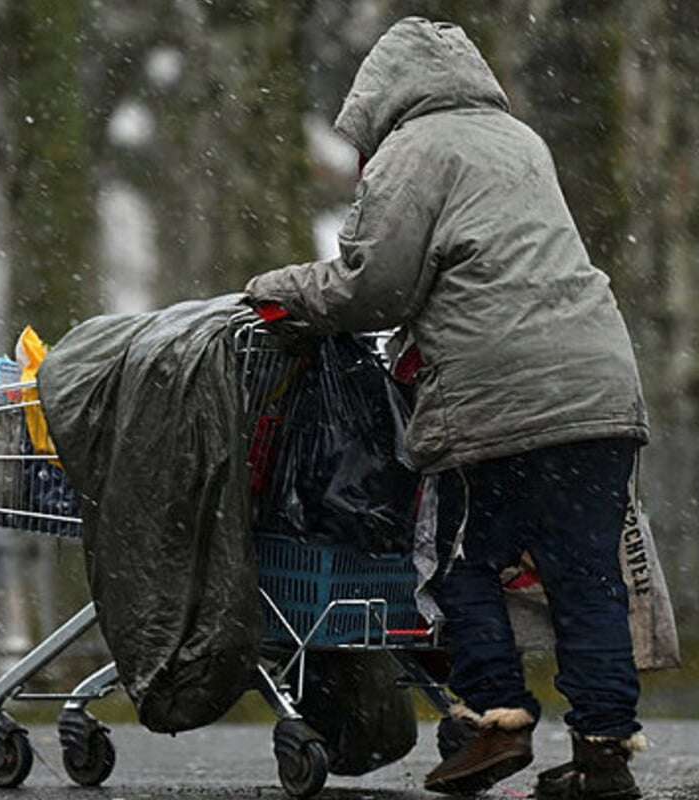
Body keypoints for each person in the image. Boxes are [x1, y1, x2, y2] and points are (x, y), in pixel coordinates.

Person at [244, 16, 649, 800]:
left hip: (499, 392)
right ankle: (604, 758)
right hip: (601, 386)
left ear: (380, 97)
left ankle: (495, 721)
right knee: (588, 580)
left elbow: (376, 287)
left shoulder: (412, 150)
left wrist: (279, 290)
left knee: (460, 561)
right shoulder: (520, 140)